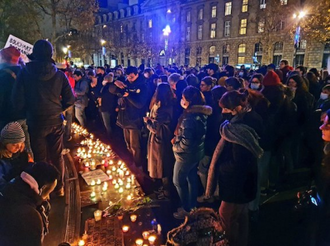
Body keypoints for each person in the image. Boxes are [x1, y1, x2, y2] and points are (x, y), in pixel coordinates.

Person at [12, 39, 75, 196]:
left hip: (35, 121)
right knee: (57, 155)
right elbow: (70, 99)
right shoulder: (59, 75)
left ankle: (44, 190)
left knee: (40, 157)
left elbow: (17, 100)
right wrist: (57, 109)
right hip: (55, 121)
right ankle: (59, 188)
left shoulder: (24, 73)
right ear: (50, 54)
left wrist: (27, 111)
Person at [206, 90, 263, 246]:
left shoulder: (239, 128)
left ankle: (229, 242)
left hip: (236, 181)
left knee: (226, 215)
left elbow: (239, 161)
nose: (223, 112)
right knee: (241, 214)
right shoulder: (248, 118)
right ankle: (241, 241)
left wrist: (221, 167)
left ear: (237, 108)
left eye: (225, 108)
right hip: (245, 180)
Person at [172, 86, 212, 219]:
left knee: (178, 180)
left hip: (186, 155)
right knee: (191, 178)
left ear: (189, 100)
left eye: (183, 98)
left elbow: (186, 143)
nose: (181, 100)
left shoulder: (190, 118)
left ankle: (186, 209)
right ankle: (192, 205)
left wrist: (175, 146)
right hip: (196, 152)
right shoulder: (201, 113)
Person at [0, 162, 60, 246]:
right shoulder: (29, 217)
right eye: (48, 192)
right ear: (42, 189)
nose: (47, 197)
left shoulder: (10, 187)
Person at [109, 66, 148, 169]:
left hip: (135, 119)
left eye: (131, 77)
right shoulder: (125, 83)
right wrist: (116, 83)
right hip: (125, 118)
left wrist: (128, 95)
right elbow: (112, 90)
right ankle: (131, 161)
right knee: (128, 143)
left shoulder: (142, 86)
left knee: (135, 145)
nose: (129, 79)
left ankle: (137, 164)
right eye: (128, 76)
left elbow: (140, 104)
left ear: (137, 74)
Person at [0, 46, 33, 158]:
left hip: (8, 118)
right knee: (26, 149)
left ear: (4, 58)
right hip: (24, 116)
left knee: (9, 152)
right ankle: (29, 168)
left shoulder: (2, 76)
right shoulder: (26, 74)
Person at [144, 83, 175, 198]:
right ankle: (165, 189)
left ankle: (167, 192)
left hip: (160, 138)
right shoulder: (171, 103)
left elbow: (155, 128)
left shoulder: (162, 109)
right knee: (163, 162)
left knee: (162, 164)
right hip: (166, 137)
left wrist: (148, 121)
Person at [0, 122, 32, 188]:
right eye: (14, 145)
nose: (18, 147)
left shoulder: (22, 155)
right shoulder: (2, 160)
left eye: (20, 144)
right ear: (5, 143)